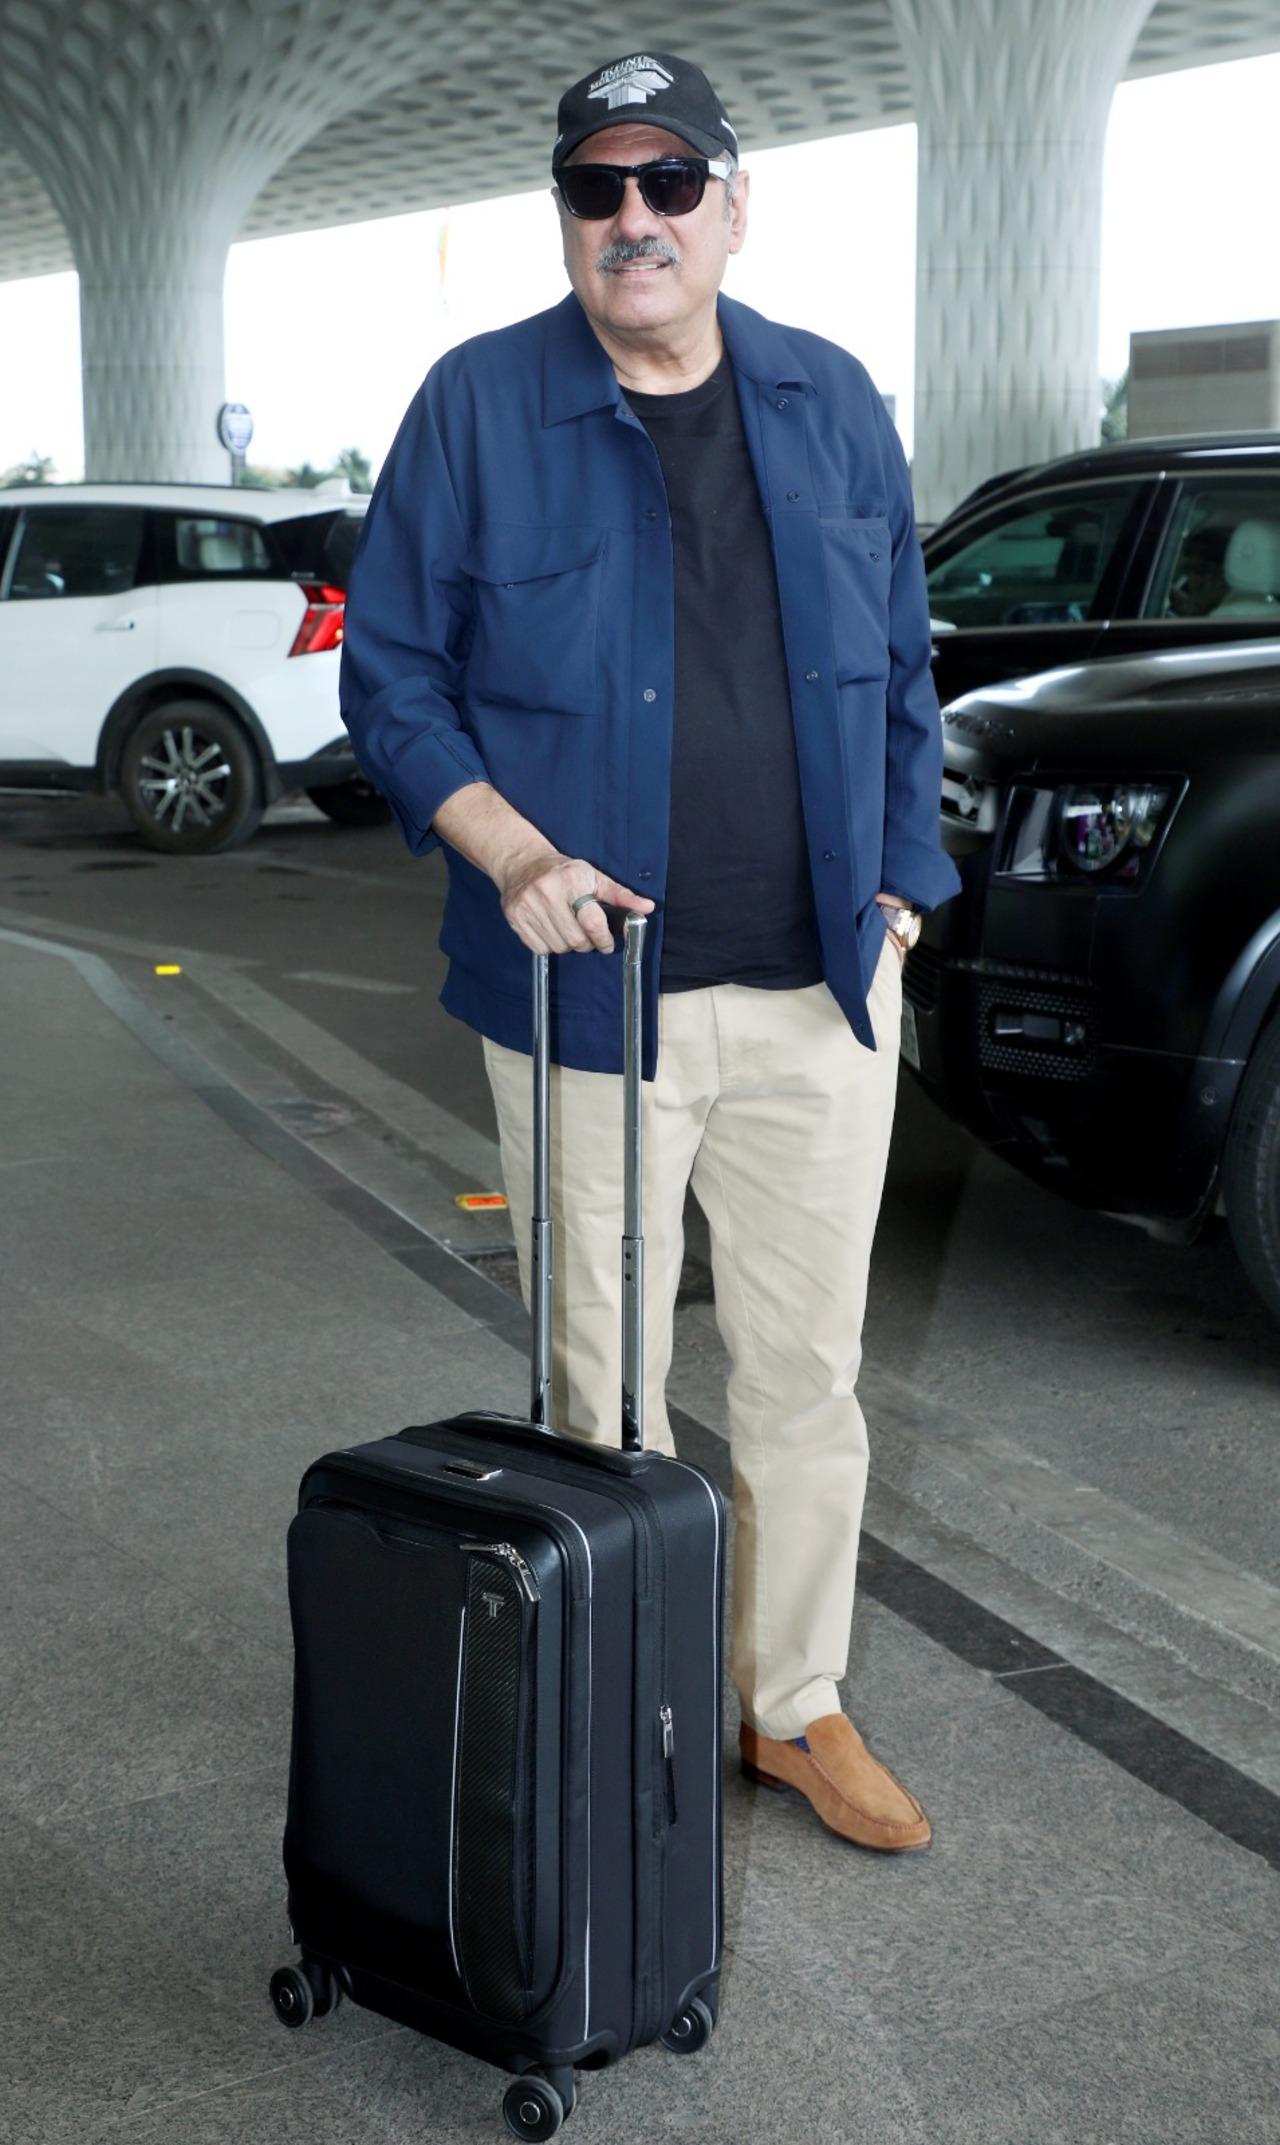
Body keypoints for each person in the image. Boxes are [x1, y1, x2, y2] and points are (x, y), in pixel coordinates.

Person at [340, 50, 961, 1853]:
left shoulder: (832, 399)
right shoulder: (475, 406)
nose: (635, 220)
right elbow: (390, 671)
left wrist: (906, 880)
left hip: (824, 991)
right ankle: (615, 1712)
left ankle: (793, 1708)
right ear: (568, 218)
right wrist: (508, 845)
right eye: (600, 190)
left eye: (670, 184)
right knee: (600, 1397)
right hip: (582, 1000)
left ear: (731, 208)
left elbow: (910, 666)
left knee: (805, 1383)